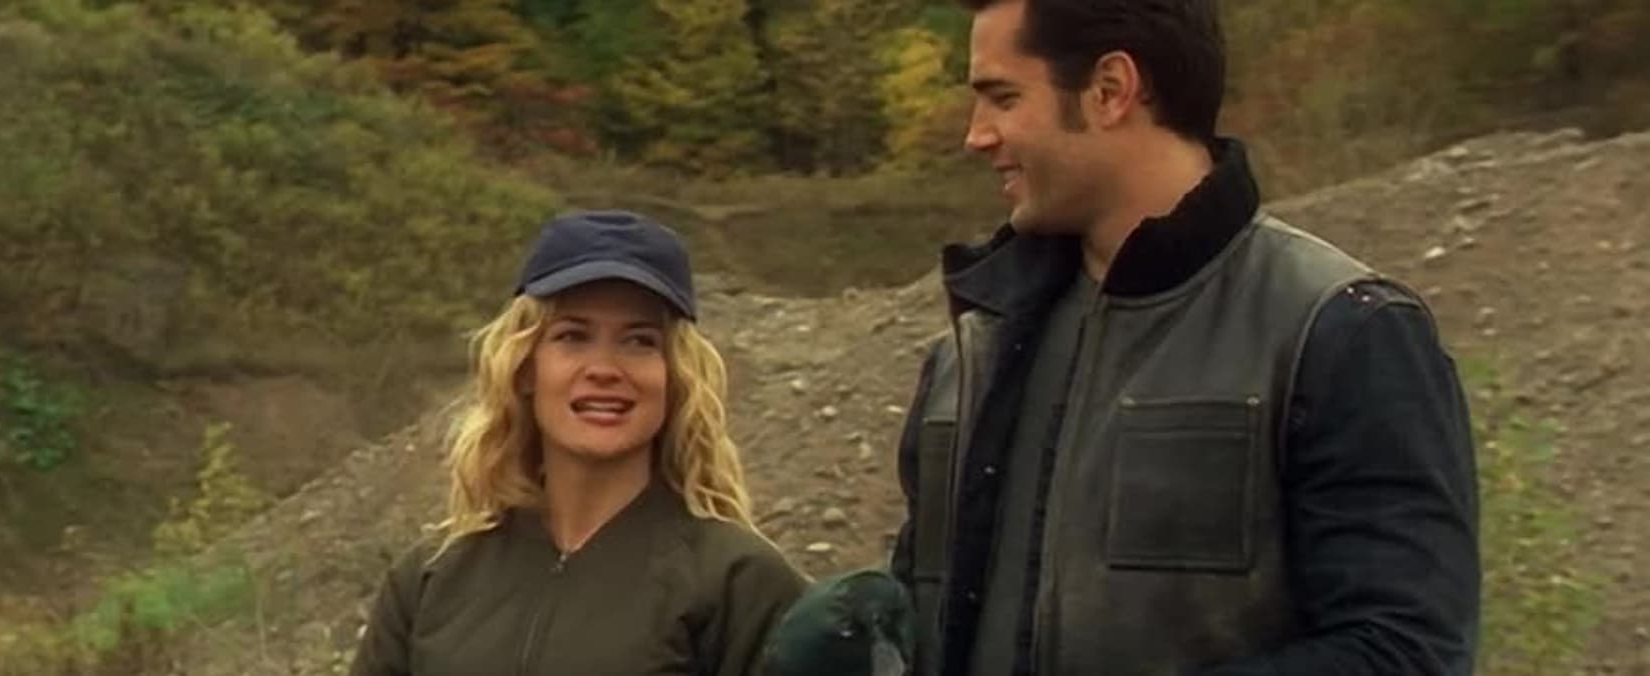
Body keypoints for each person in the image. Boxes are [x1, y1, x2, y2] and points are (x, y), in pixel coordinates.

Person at [886, 1, 1482, 675]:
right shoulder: (969, 353)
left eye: (1003, 97)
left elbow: (1405, 652)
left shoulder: (1342, 333)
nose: (976, 135)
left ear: (1111, 90)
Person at [347, 210, 808, 676]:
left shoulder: (740, 584)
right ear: (525, 368)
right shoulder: (429, 581)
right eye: (573, 336)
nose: (604, 369)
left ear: (674, 376)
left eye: (640, 341)